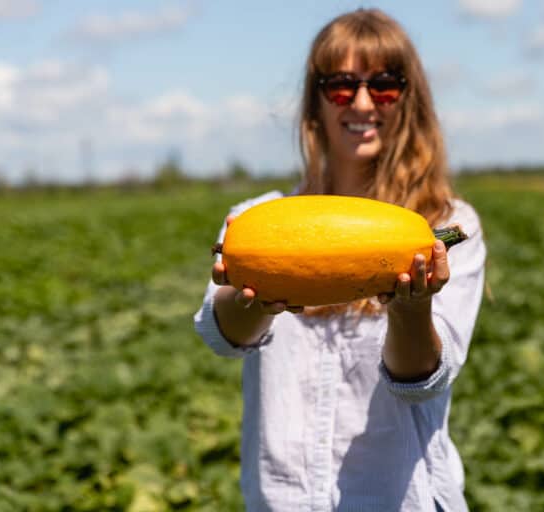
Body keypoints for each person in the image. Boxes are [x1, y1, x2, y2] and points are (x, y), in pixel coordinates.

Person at [194, 8, 486, 511]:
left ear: (409, 99)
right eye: (342, 86)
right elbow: (223, 338)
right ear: (317, 101)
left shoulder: (449, 224)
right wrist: (255, 299)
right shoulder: (255, 217)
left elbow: (421, 384)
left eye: (385, 86)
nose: (364, 102)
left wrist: (410, 309)